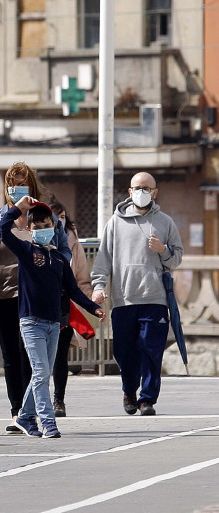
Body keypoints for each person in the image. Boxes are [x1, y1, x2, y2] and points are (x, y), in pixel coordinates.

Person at [0, 162, 71, 434]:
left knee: (33, 359)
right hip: (1, 293)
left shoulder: (46, 217)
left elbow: (64, 253)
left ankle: (31, 413)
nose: (16, 187)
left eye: (22, 182)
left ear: (32, 185)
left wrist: (56, 276)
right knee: (12, 356)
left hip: (34, 298)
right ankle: (17, 413)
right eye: (12, 183)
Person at [0, 197, 104, 438]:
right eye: (36, 227)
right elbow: (2, 229)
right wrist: (19, 208)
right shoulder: (26, 251)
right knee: (40, 372)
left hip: (53, 323)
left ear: (54, 228)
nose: (42, 230)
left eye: (46, 225)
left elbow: (73, 289)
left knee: (43, 373)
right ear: (29, 230)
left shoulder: (58, 259)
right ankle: (48, 422)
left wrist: (92, 308)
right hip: (31, 321)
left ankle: (25, 416)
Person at [91, 172, 183, 416]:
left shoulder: (165, 222)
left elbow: (177, 257)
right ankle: (129, 390)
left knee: (151, 349)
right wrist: (99, 287)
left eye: (146, 188)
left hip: (155, 299)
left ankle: (147, 399)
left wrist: (163, 250)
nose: (141, 191)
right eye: (137, 187)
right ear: (129, 192)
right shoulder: (115, 223)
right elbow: (103, 261)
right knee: (124, 351)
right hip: (124, 299)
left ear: (155, 192)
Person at [48, 199, 95, 417]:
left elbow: (82, 279)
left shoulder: (72, 241)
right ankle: (31, 402)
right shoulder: (32, 238)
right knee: (35, 358)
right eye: (55, 216)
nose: (59, 221)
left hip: (65, 305)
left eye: (63, 216)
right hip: (38, 305)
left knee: (60, 355)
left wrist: (91, 302)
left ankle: (58, 400)